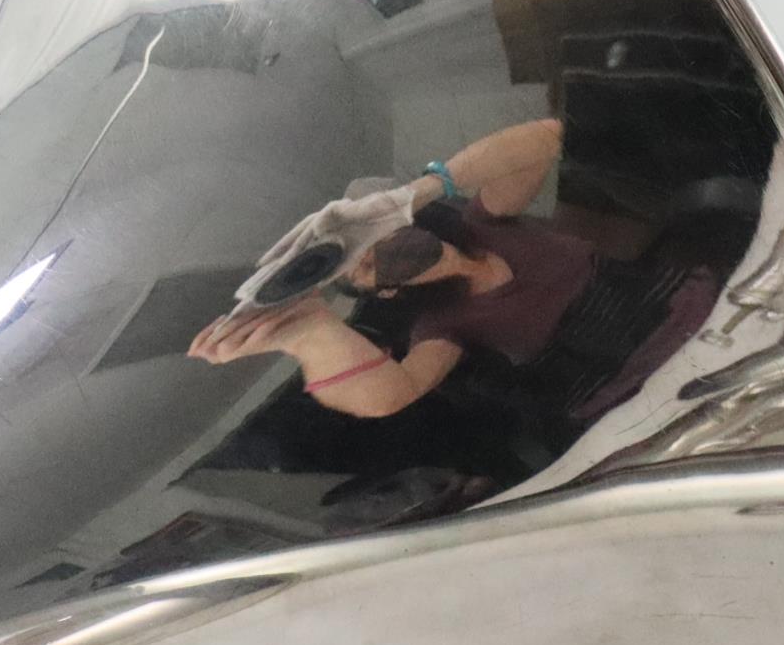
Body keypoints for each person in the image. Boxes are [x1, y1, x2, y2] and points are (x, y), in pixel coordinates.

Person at [188, 116, 718, 427]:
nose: (368, 255)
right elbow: (390, 394)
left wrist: (411, 196)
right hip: (647, 394)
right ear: (383, 293)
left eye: (365, 245)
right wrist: (313, 335)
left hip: (706, 313)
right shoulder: (441, 326)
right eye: (357, 269)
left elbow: (545, 137)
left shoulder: (488, 220)